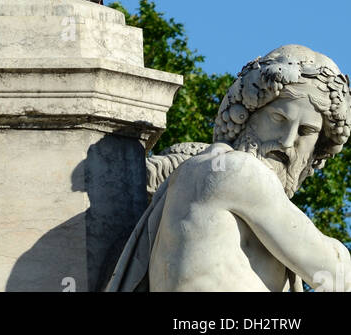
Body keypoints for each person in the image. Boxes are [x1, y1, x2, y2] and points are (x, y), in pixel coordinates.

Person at [106, 45, 351, 292]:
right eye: (279, 119)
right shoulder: (238, 171)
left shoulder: (198, 172)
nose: (287, 141)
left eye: (306, 131)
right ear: (247, 116)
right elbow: (338, 275)